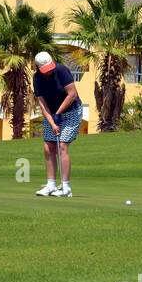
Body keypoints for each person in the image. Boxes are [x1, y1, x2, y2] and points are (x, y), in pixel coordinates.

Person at [32, 50, 83, 198]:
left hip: (71, 112)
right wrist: (52, 122)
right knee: (48, 147)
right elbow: (42, 104)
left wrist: (58, 114)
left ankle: (66, 188)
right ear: (38, 68)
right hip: (52, 115)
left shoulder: (61, 70)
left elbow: (72, 95)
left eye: (50, 67)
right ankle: (50, 185)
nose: (49, 71)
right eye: (45, 70)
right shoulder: (37, 78)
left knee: (61, 146)